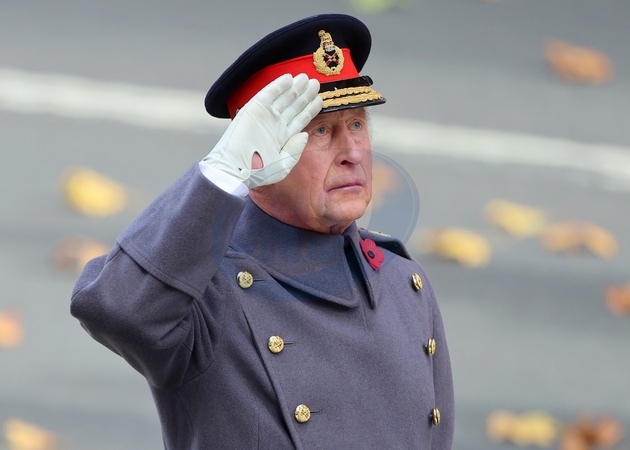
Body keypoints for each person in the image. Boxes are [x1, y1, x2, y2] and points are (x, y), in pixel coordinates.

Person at [71, 13, 454, 449]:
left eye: (357, 124)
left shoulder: (404, 283)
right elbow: (115, 309)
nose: (352, 152)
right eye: (321, 130)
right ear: (263, 150)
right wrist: (223, 172)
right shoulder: (206, 293)